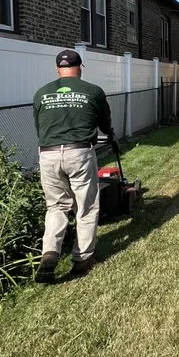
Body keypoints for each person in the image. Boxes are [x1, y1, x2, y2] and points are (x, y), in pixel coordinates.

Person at [32, 49, 113, 282]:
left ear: (58, 69)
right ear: (80, 68)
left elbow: (40, 128)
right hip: (79, 152)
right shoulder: (93, 92)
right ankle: (82, 260)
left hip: (47, 153)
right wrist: (109, 133)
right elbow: (105, 125)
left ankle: (50, 253)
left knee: (56, 206)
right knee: (86, 206)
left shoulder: (42, 93)